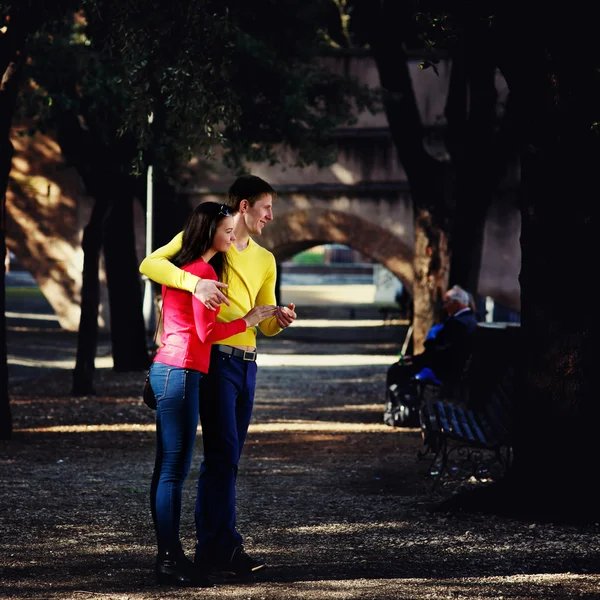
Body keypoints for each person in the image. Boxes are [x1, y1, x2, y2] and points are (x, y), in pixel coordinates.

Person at [139, 174, 297, 579]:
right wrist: (195, 283)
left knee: (226, 458)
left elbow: (264, 323)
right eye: (265, 208)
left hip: (248, 363)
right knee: (217, 455)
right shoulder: (208, 241)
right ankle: (217, 547)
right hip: (212, 361)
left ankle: (213, 547)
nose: (270, 216)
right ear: (243, 206)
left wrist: (280, 320)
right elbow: (151, 264)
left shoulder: (265, 259)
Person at [384, 285, 478, 427]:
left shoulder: (457, 324)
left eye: (446, 302)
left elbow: (436, 352)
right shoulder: (470, 320)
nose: (444, 306)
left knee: (397, 370)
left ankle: (404, 414)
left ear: (456, 304)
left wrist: (416, 361)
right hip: (450, 366)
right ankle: (403, 411)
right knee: (401, 368)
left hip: (445, 370)